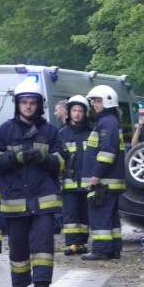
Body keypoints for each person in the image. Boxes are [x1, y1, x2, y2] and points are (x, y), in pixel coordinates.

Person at [0, 80, 64, 287]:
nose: (29, 106)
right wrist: (15, 157)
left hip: (43, 197)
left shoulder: (50, 131)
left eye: (33, 102)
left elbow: (62, 162)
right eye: (24, 102)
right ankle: (20, 283)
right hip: (15, 197)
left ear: (39, 105)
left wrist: (45, 159)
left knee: (42, 241)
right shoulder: (4, 131)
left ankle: (42, 283)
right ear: (18, 104)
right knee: (18, 244)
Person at [81, 85, 125, 261]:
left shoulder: (107, 123)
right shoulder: (110, 121)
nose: (94, 105)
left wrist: (96, 174)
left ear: (107, 101)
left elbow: (107, 152)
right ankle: (113, 248)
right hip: (110, 180)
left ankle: (101, 249)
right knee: (110, 216)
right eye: (94, 101)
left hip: (104, 181)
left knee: (99, 214)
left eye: (98, 101)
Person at [58, 95, 92, 255]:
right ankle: (72, 243)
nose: (77, 114)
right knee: (70, 214)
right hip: (68, 183)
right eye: (74, 110)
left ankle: (82, 242)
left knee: (84, 215)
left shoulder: (91, 134)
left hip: (86, 183)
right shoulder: (62, 134)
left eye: (80, 111)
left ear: (85, 113)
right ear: (69, 112)